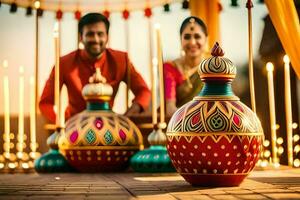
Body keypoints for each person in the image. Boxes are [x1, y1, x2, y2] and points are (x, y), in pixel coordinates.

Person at [39, 13, 151, 123]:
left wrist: (127, 118)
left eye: (100, 34)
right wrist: (63, 123)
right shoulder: (64, 63)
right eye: (90, 34)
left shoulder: (121, 60)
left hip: (109, 128)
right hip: (74, 129)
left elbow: (144, 92)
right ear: (80, 37)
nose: (96, 39)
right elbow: (45, 103)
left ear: (107, 37)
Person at [164, 16, 208, 116]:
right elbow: (170, 108)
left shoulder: (212, 68)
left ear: (205, 39)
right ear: (180, 39)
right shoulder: (171, 68)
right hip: (179, 124)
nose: (192, 42)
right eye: (187, 37)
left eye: (197, 36)